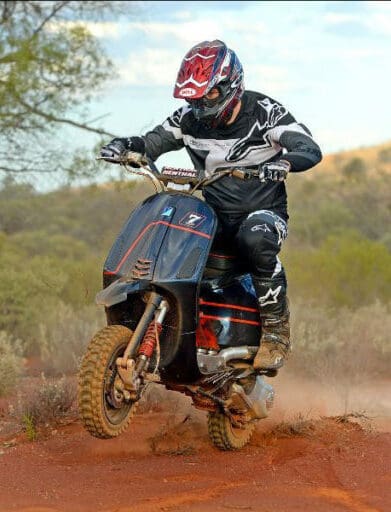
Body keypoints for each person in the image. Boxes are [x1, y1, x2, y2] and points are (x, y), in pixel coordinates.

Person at [100, 39, 322, 373]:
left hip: (263, 213)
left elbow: (309, 147)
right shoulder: (188, 117)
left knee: (255, 238)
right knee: (170, 239)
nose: (201, 104)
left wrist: (286, 163)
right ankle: (174, 330)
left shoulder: (266, 112)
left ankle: (276, 332)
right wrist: (125, 146)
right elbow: (151, 143)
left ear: (231, 85)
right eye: (193, 97)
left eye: (210, 95)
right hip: (213, 213)